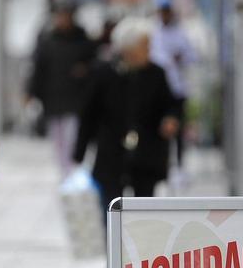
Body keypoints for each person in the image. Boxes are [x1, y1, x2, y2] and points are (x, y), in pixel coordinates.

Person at [73, 17, 179, 210]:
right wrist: (79, 152)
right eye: (144, 46)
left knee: (144, 210)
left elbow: (170, 104)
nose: (149, 50)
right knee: (112, 209)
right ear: (128, 49)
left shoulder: (157, 73)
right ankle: (114, 241)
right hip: (111, 152)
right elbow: (89, 113)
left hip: (147, 152)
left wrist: (170, 119)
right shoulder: (103, 73)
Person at [26, 0, 98, 176]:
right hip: (53, 97)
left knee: (72, 137)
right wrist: (30, 92)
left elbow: (95, 66)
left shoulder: (83, 40)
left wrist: (85, 71)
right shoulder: (48, 41)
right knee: (58, 141)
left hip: (75, 98)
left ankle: (74, 170)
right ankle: (64, 173)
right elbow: (38, 69)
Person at [149, 0, 196, 168]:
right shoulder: (153, 31)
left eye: (167, 10)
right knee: (158, 129)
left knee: (177, 130)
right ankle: (161, 163)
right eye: (162, 10)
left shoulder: (181, 32)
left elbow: (193, 56)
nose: (164, 14)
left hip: (176, 89)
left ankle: (179, 166)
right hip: (158, 90)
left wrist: (181, 57)